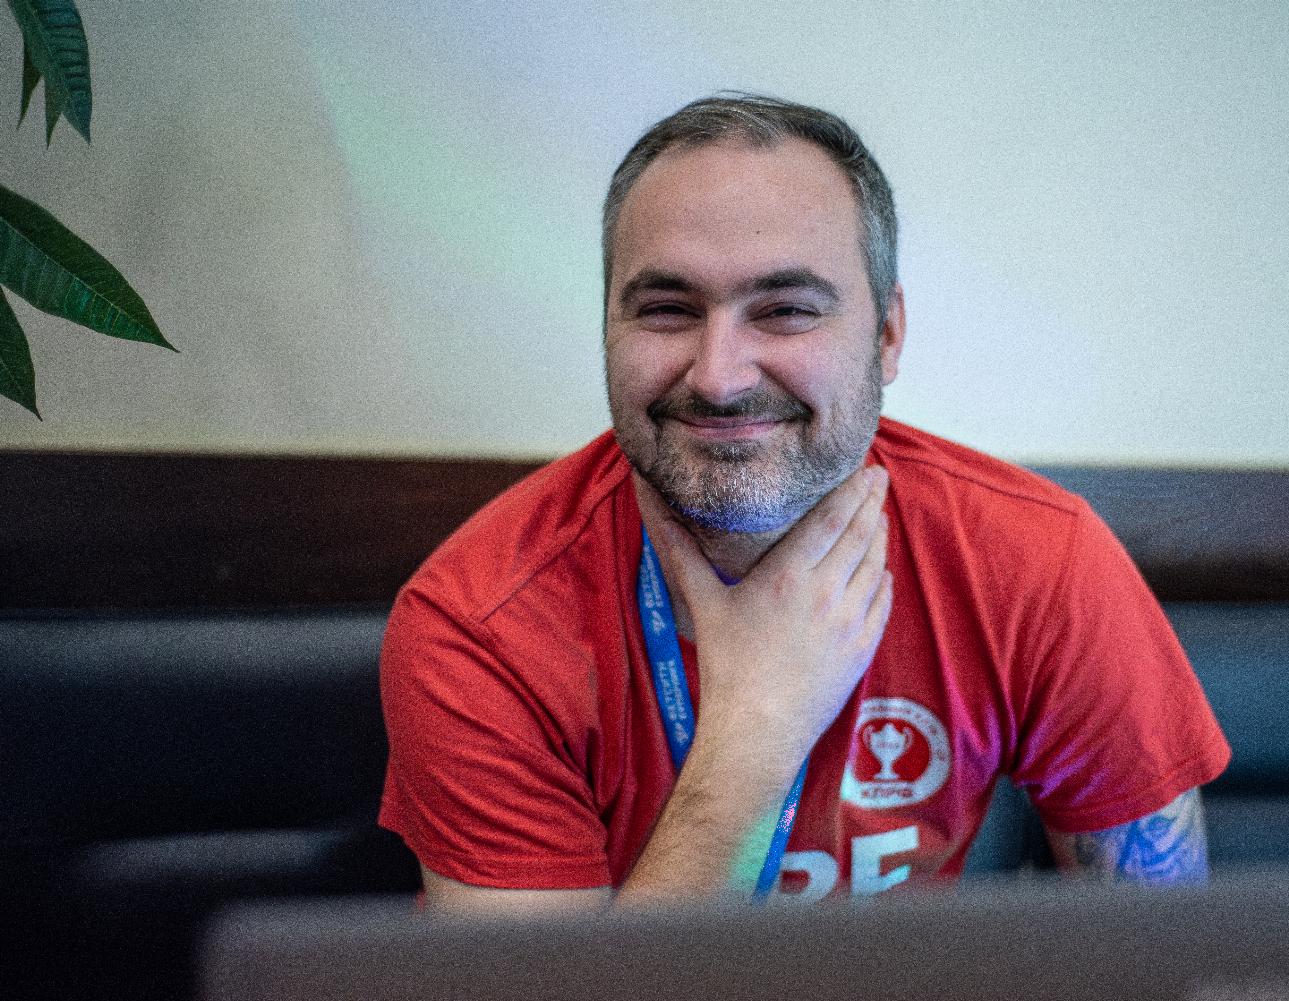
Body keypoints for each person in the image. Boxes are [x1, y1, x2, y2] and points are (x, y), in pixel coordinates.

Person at [379, 93, 1231, 914]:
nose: (719, 376)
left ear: (886, 335)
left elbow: (1157, 955)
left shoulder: (1038, 562)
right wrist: (756, 730)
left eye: (785, 311)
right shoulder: (479, 624)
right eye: (667, 309)